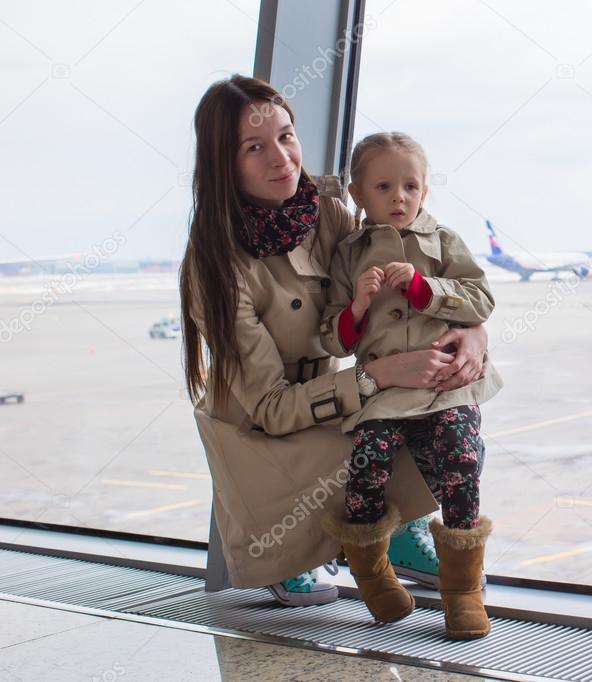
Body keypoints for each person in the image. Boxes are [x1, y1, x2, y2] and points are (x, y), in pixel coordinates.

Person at [179, 74, 497, 607]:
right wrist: (377, 377)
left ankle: (394, 532)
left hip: (335, 395)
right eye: (254, 148)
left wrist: (472, 332)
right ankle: (309, 547)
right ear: (224, 165)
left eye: (286, 136)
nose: (281, 158)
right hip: (267, 423)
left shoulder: (326, 211)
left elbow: (407, 290)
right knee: (374, 432)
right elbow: (273, 407)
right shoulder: (214, 267)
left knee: (439, 418)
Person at [318, 132, 500, 639]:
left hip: (445, 383)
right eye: (384, 186)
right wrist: (357, 306)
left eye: (410, 186)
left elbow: (480, 301)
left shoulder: (442, 240)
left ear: (424, 191)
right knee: (367, 464)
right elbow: (330, 337)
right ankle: (373, 577)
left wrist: (425, 289)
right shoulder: (350, 254)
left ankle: (462, 592)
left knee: (461, 461)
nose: (399, 197)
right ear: (358, 195)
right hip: (385, 391)